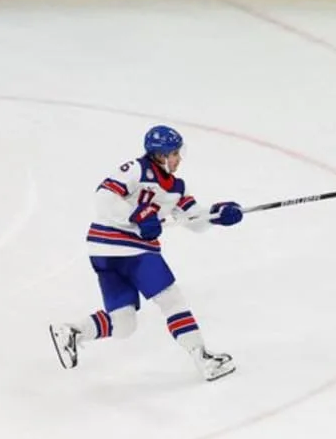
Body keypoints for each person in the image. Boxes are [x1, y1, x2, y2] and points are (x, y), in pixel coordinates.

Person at [48, 125, 244, 381]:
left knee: (124, 323)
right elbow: (104, 196)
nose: (178, 159)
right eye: (174, 153)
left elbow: (192, 218)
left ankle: (73, 332)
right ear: (161, 154)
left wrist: (218, 214)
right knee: (171, 300)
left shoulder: (176, 187)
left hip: (104, 252)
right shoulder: (135, 169)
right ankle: (203, 358)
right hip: (128, 248)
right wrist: (136, 215)